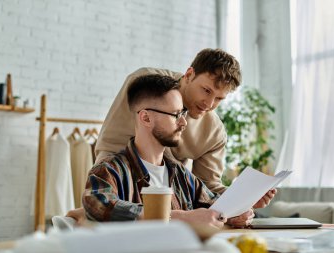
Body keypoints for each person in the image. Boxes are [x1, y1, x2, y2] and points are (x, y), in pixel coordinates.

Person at [67, 48, 276, 223]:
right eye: (206, 90)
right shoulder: (146, 87)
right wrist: (101, 210)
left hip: (171, 201)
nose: (209, 104)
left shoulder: (197, 154)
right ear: (189, 74)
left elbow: (206, 192)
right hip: (132, 198)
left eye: (219, 99)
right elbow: (110, 152)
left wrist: (239, 205)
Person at [82, 74, 254, 228]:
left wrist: (235, 214)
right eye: (175, 115)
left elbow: (214, 203)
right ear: (146, 118)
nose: (183, 123)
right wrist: (180, 217)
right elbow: (99, 205)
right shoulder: (109, 170)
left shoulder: (180, 174)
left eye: (183, 113)